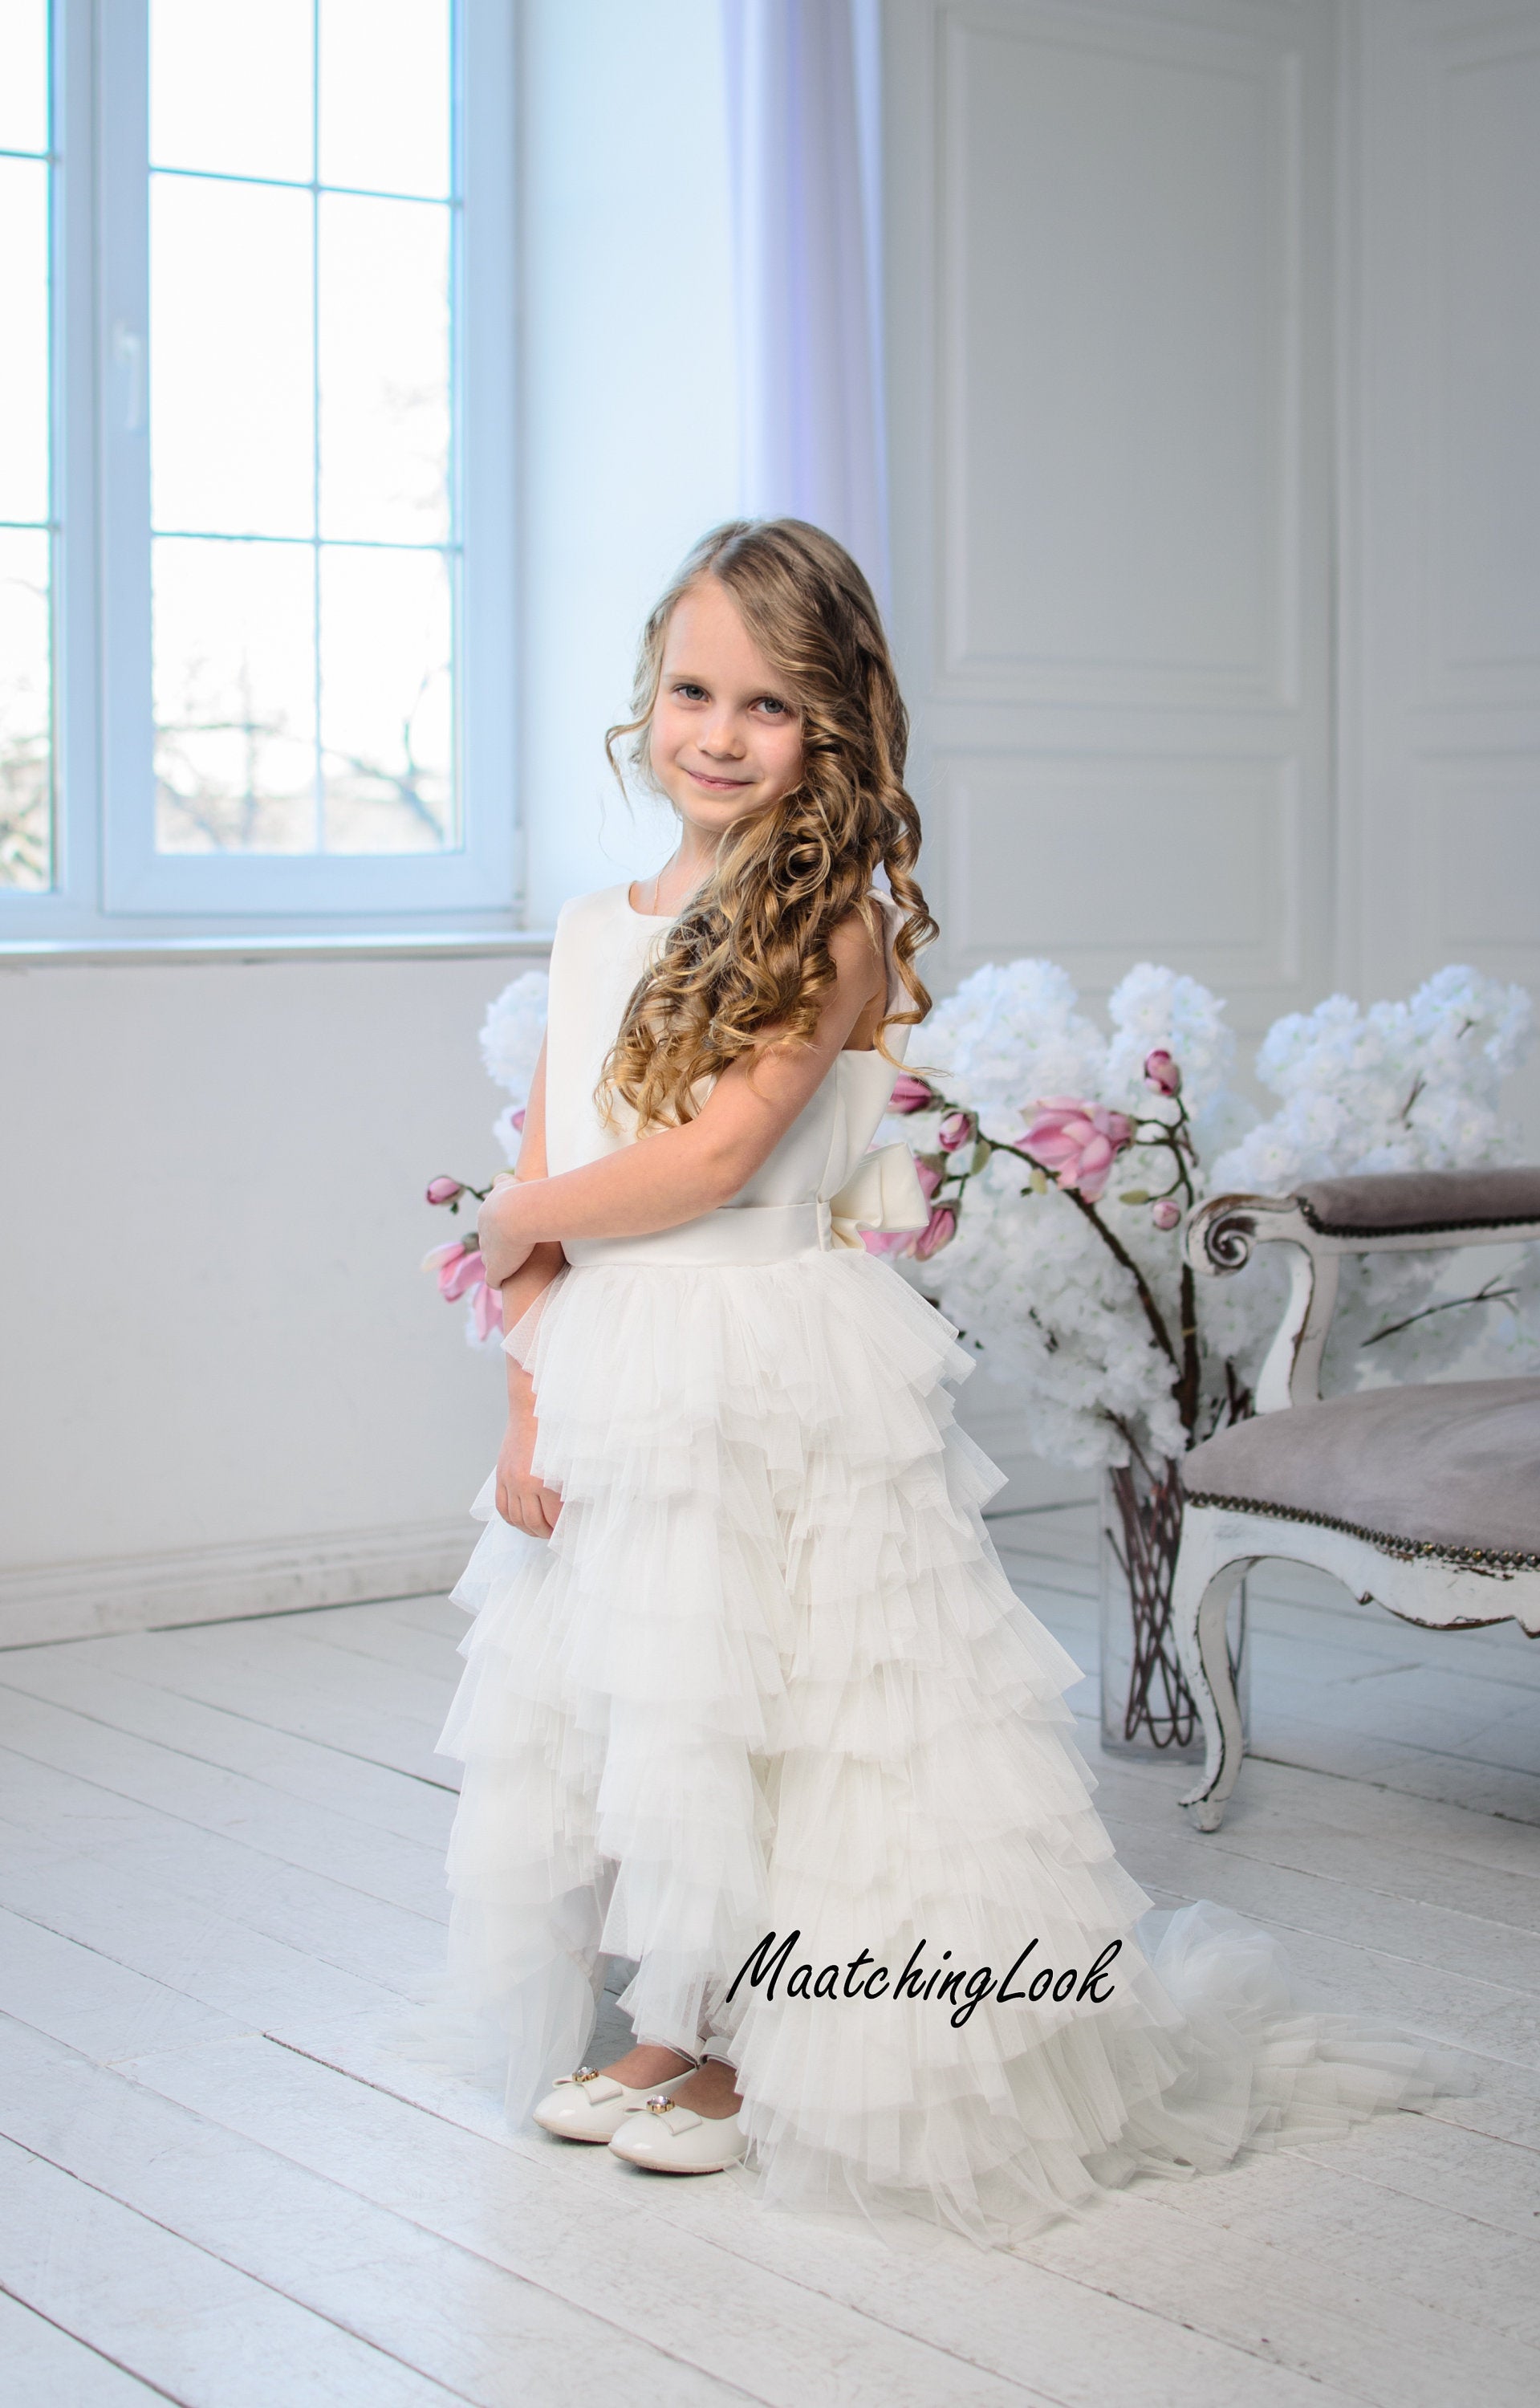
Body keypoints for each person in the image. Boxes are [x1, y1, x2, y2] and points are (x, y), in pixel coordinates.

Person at [437, 519, 1452, 2244]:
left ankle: (748, 2050)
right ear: (646, 699)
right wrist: (531, 1401)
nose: (719, 731)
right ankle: (672, 2024)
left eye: (769, 704)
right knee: (653, 1705)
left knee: (787, 1704)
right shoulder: (592, 923)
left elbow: (706, 1161)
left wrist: (508, 1212)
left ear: (831, 732)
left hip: (765, 1359)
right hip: (616, 1366)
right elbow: (551, 1183)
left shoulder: (824, 925)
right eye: (693, 689)